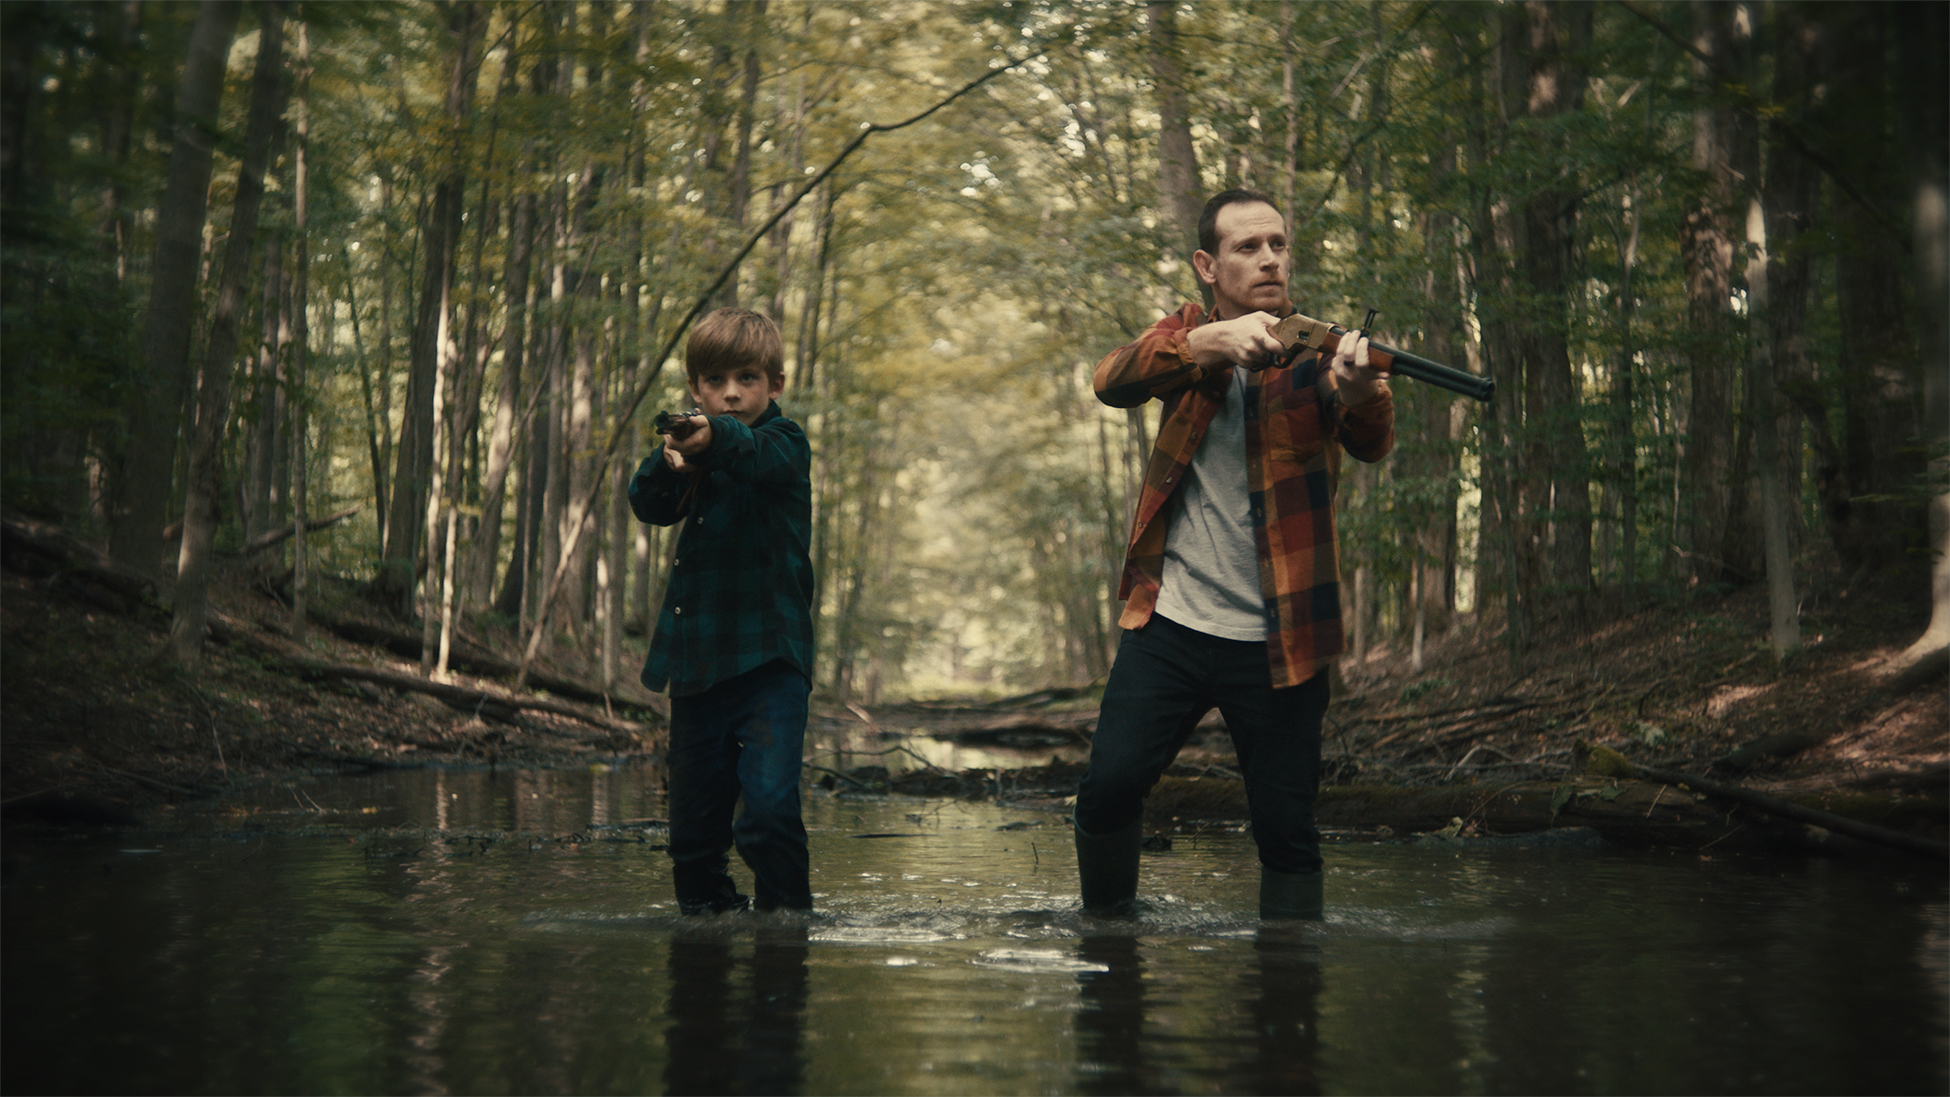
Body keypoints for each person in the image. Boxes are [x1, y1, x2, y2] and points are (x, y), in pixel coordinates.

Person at [1074, 189, 1395, 920]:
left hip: (1283, 635)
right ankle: (1107, 940)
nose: (1270, 259)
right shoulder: (1185, 332)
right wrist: (1204, 346)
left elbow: (1373, 441)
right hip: (1171, 622)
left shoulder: (1324, 352)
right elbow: (1110, 378)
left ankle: (1288, 996)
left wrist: (1359, 391)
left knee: (1287, 830)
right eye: (1248, 247)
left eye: (1278, 244)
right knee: (1109, 786)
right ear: (1206, 265)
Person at [630, 307, 816, 915]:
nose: (730, 393)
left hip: (770, 665)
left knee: (766, 815)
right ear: (695, 387)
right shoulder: (697, 450)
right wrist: (670, 459)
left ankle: (787, 932)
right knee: (691, 838)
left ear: (775, 385)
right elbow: (648, 503)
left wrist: (712, 439)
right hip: (697, 668)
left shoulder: (785, 444)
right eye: (714, 381)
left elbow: (755, 454)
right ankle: (707, 938)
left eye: (747, 378)